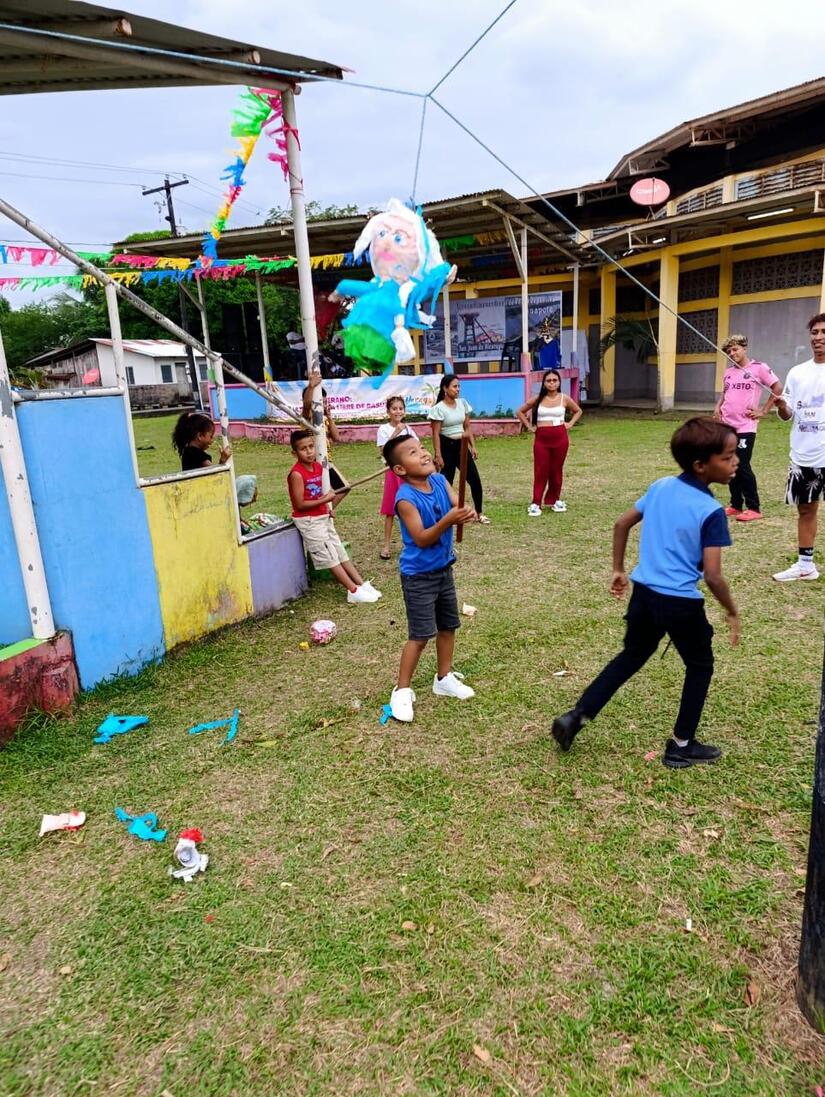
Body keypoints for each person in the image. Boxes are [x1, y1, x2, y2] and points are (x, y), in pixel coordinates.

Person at [551, 417, 740, 769]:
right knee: (700, 665)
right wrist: (731, 610)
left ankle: (577, 717)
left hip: (644, 595)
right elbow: (713, 576)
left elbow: (622, 523)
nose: (736, 462)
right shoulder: (711, 511)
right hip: (681, 603)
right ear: (701, 466)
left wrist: (619, 569)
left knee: (631, 656)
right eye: (728, 457)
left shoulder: (662, 486)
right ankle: (682, 745)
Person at [383, 433, 477, 723]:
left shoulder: (437, 479)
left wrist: (464, 511)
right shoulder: (405, 499)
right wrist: (450, 519)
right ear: (400, 469)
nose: (423, 454)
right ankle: (401, 689)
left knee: (448, 626)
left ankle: (443, 677)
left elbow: (455, 502)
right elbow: (422, 538)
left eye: (422, 448)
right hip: (418, 576)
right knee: (421, 635)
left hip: (443, 568)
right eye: (413, 453)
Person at [287, 430, 381, 605]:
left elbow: (333, 491)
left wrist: (326, 507)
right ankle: (352, 591)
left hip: (322, 517)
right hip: (309, 521)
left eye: (311, 447)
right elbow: (300, 504)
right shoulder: (297, 474)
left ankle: (360, 584)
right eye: (303, 449)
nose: (309, 452)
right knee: (330, 557)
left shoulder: (318, 467)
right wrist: (325, 500)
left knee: (339, 551)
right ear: (295, 453)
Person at [773, 312, 825, 581]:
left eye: (824, 332)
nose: (819, 337)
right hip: (804, 454)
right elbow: (788, 414)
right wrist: (782, 405)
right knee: (806, 509)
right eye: (815, 332)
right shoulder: (797, 372)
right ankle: (806, 566)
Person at [713, 334, 781, 522]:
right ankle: (736, 505)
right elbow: (725, 393)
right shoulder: (728, 372)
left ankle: (754, 507)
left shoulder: (759, 368)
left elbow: (777, 387)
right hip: (727, 425)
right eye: (728, 351)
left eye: (735, 349)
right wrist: (718, 407)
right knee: (729, 464)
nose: (732, 354)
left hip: (745, 426)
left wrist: (764, 410)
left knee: (742, 465)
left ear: (744, 348)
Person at [517, 368, 583, 516]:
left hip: (560, 438)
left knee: (556, 470)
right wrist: (529, 427)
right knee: (541, 470)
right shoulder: (538, 398)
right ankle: (536, 502)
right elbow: (520, 411)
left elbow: (578, 411)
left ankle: (555, 500)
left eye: (555, 380)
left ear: (559, 382)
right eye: (549, 380)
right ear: (544, 383)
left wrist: (570, 424)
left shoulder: (564, 398)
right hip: (542, 439)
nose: (552, 383)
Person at [428, 375, 490, 524]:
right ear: (445, 388)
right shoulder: (438, 409)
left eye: (459, 386)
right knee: (446, 483)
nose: (458, 389)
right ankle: (442, 515)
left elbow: (467, 427)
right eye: (455, 386)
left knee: (474, 480)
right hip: (446, 447)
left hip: (461, 446)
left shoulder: (462, 403)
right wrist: (438, 455)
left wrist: (472, 446)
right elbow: (435, 434)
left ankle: (479, 513)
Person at [376, 395, 419, 560]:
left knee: (411, 507)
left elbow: (416, 447)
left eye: (401, 408)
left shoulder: (409, 429)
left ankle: (413, 542)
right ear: (388, 412)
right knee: (390, 510)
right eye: (394, 409)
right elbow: (383, 451)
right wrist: (396, 432)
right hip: (392, 472)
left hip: (408, 473)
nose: (398, 411)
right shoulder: (384, 429)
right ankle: (386, 545)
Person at [302, 367, 346, 491]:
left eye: (324, 401)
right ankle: (325, 510)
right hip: (314, 460)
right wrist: (311, 387)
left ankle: (326, 510)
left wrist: (329, 417)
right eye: (320, 401)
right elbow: (306, 406)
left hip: (327, 459)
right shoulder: (307, 418)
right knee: (341, 488)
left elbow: (337, 438)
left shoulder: (325, 419)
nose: (323, 403)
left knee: (342, 488)